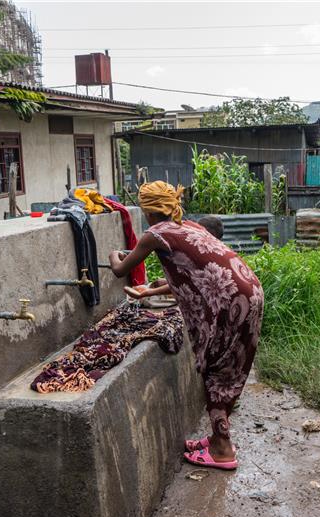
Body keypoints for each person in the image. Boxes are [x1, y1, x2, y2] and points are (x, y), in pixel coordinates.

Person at [109, 181, 263, 470]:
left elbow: (120, 269)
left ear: (147, 209)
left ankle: (223, 450)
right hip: (249, 290)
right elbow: (203, 275)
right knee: (230, 366)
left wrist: (112, 253)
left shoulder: (155, 233)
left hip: (228, 300)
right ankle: (218, 436)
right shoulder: (190, 226)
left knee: (215, 367)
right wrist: (153, 290)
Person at [124, 214, 224, 300]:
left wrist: (149, 292)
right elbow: (188, 279)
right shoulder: (214, 250)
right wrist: (165, 282)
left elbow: (188, 284)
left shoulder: (206, 256)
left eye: (197, 232)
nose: (193, 234)